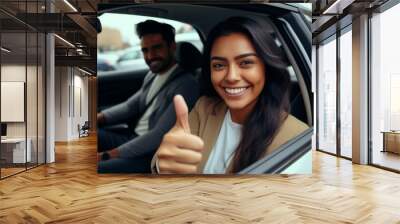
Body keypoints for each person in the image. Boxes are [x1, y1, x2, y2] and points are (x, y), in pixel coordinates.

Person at [152, 16, 309, 174]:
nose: (231, 77)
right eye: (219, 65)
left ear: (266, 68)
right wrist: (164, 164)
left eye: (246, 63)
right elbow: (168, 158)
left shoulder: (296, 135)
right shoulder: (205, 108)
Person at [97, 20, 199, 173]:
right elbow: (130, 106)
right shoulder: (152, 75)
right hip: (133, 137)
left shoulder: (186, 85)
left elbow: (159, 136)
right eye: (145, 50)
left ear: (172, 47)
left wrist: (107, 155)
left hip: (150, 153)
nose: (150, 56)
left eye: (157, 48)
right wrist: (98, 117)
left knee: (97, 168)